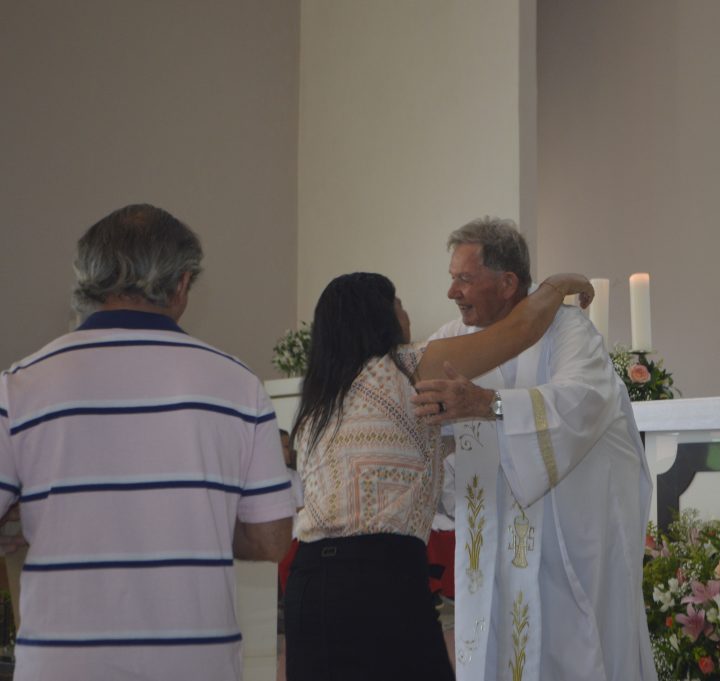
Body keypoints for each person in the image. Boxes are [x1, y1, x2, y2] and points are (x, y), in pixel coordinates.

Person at [0, 204, 295, 681]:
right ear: (181, 284)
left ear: (87, 279)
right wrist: (200, 519)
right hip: (196, 664)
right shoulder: (239, 385)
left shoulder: (20, 385)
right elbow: (270, 538)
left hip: (62, 665)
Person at [284, 270, 593, 681]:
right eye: (398, 304)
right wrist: (560, 284)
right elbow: (520, 331)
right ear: (380, 317)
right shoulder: (406, 368)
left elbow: (400, 450)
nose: (406, 313)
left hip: (308, 579)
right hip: (376, 577)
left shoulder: (319, 401)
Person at [411, 217, 657, 681]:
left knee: (571, 652)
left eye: (464, 279)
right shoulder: (454, 340)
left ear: (507, 284)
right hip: (490, 540)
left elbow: (583, 400)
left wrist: (487, 404)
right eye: (452, 279)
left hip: (563, 542)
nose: (452, 292)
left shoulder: (567, 331)